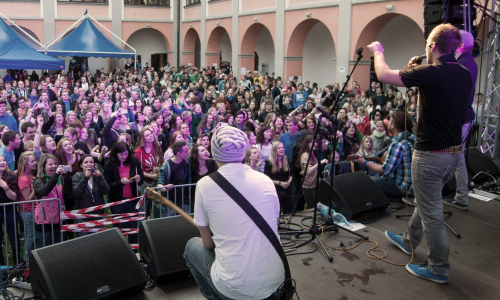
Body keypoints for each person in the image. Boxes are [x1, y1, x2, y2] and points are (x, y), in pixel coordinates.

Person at [368, 23, 472, 283]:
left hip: (429, 156)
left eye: (427, 44)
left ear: (433, 46)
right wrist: (414, 69)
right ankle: (408, 240)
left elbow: (383, 75)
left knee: (432, 213)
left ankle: (438, 267)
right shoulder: (462, 73)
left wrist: (378, 51)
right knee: (429, 200)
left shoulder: (432, 73)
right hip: (452, 156)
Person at [184, 126, 284, 299]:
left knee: (192, 246)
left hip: (235, 286)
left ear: (214, 154)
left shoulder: (204, 185)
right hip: (278, 278)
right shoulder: (265, 180)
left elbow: (208, 244)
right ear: (244, 151)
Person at [445, 30, 478, 211]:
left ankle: (458, 196)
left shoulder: (462, 63)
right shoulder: (469, 61)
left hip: (459, 117)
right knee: (458, 159)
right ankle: (461, 196)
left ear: (461, 44)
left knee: (452, 157)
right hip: (464, 116)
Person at [103, 141, 144, 244]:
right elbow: (107, 185)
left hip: (132, 199)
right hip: (117, 201)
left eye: (126, 154)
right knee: (118, 227)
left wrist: (139, 180)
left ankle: (134, 250)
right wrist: (120, 182)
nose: (124, 156)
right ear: (115, 153)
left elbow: (141, 178)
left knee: (133, 227)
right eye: (121, 154)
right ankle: (119, 249)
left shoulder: (134, 161)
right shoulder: (109, 164)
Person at [33, 154, 72, 247]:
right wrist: (56, 175)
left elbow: (68, 192)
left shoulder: (60, 178)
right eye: (50, 164)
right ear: (43, 166)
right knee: (46, 250)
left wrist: (67, 176)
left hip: (60, 220)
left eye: (55, 164)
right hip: (45, 223)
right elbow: (44, 191)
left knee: (60, 248)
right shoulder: (39, 180)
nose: (54, 166)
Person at [72, 155, 110, 237]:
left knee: (98, 243)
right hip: (83, 217)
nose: (89, 164)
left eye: (91, 162)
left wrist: (100, 178)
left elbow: (106, 190)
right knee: (84, 244)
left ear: (94, 164)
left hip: (98, 216)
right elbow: (77, 193)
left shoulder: (97, 176)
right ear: (81, 165)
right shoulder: (77, 176)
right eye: (86, 162)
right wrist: (85, 178)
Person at [0, 154, 21, 265]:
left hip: (9, 210)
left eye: (3, 160)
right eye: (0, 161)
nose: (2, 162)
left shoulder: (10, 176)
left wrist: (5, 187)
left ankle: (17, 263)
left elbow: (14, 197)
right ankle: (2, 265)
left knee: (13, 236)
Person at [264, 142, 293, 214]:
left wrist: (289, 181)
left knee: (288, 212)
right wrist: (280, 183)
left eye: (283, 147)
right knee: (277, 213)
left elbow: (291, 174)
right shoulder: (269, 162)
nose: (282, 149)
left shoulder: (287, 159)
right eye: (279, 148)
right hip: (275, 191)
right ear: (274, 150)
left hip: (287, 190)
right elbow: (267, 178)